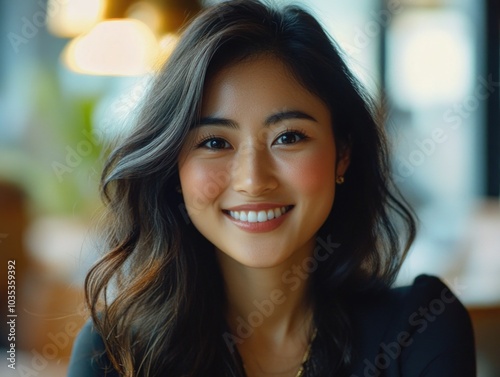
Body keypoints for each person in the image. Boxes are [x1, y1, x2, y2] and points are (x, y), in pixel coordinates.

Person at [67, 1, 476, 376]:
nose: (253, 180)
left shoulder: (421, 331)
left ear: (343, 154)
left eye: (288, 137)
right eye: (214, 143)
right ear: (174, 167)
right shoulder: (112, 354)